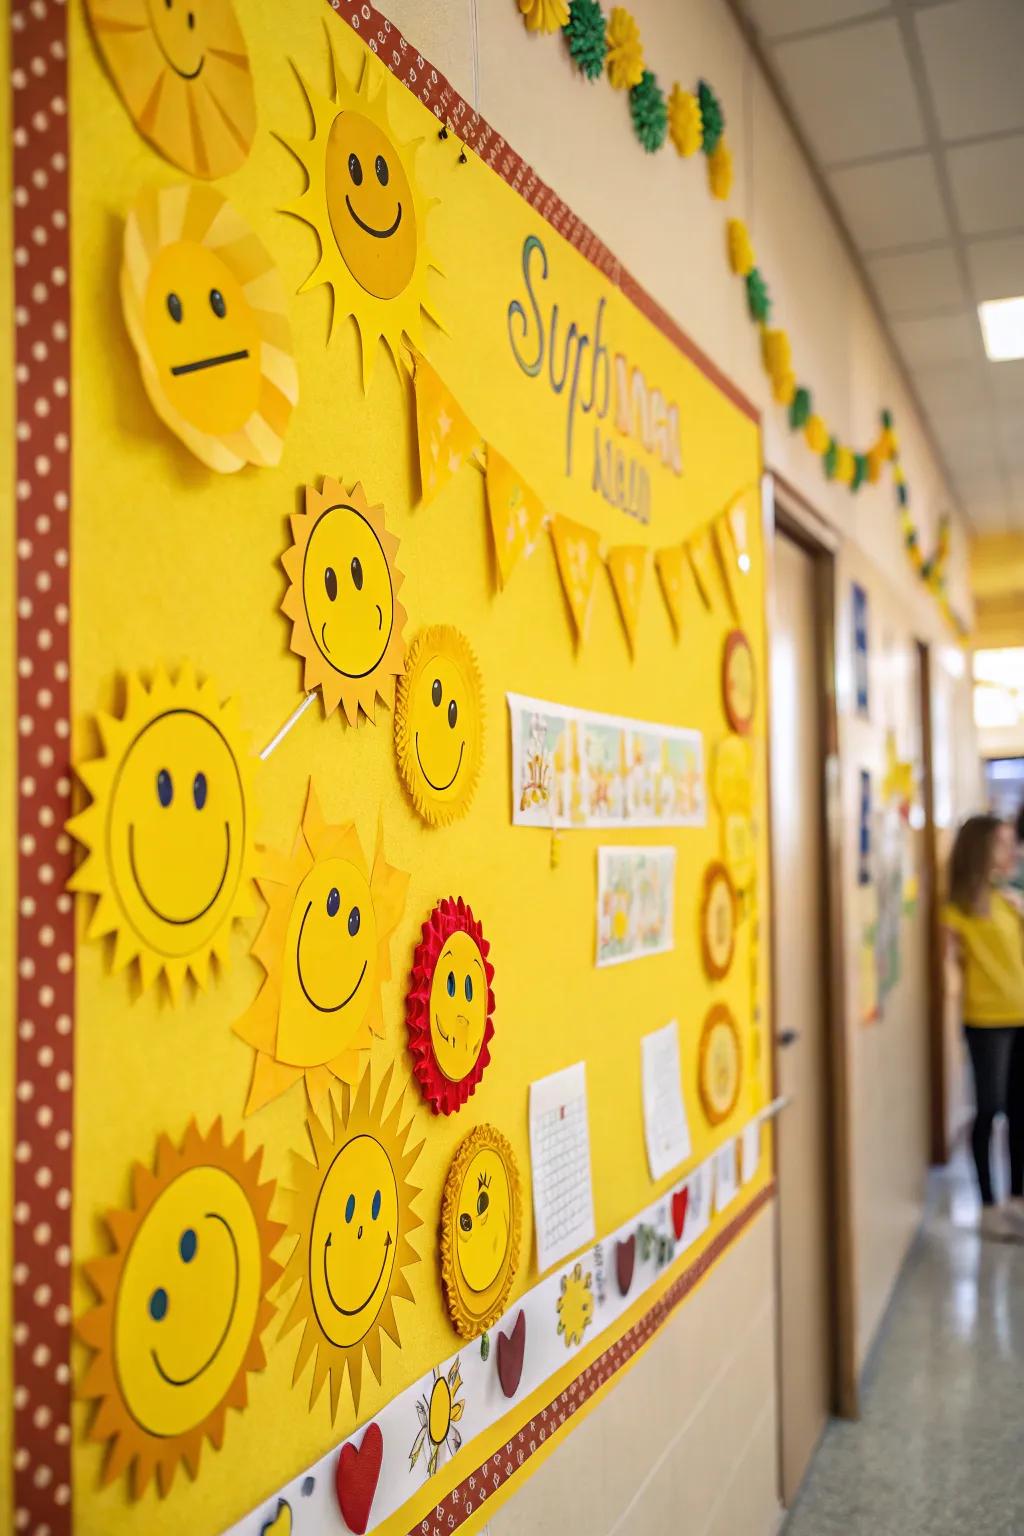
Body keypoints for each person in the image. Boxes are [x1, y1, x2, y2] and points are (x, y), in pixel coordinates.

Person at [943, 814, 1024, 1235]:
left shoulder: (1008, 900)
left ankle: (1016, 1199)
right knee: (988, 1109)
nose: (1010, 852)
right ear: (981, 849)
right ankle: (989, 1205)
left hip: (1020, 1015)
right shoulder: (957, 910)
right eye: (1002, 844)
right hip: (986, 1021)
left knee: (1019, 1112)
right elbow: (949, 970)